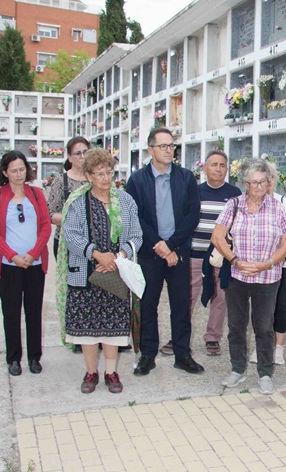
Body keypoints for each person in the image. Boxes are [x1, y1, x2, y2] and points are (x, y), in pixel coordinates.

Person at [58, 148, 143, 394]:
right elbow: (71, 235)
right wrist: (97, 254)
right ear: (88, 176)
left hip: (115, 273)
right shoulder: (77, 201)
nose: (106, 178)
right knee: (87, 328)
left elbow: (137, 236)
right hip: (85, 273)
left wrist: (118, 257)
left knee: (113, 326)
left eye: (109, 172)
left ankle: (111, 372)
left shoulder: (125, 200)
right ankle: (91, 372)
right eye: (99, 173)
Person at [125, 127, 203, 376]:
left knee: (181, 305)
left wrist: (170, 245)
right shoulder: (137, 180)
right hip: (150, 253)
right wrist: (159, 244)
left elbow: (193, 215)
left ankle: (182, 355)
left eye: (171, 145)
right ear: (150, 150)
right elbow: (134, 216)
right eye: (163, 146)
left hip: (178, 251)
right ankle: (148, 355)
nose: (169, 150)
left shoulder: (186, 177)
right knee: (148, 305)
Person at [212, 158, 286, 395]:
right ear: (245, 184)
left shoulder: (278, 207)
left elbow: (285, 245)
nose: (259, 187)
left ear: (269, 182)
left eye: (263, 182)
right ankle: (238, 369)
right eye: (254, 182)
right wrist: (235, 261)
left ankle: (265, 373)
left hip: (268, 277)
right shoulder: (233, 205)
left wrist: (266, 264)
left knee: (264, 327)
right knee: (236, 325)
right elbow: (217, 236)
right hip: (238, 276)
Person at [0, 151, 51, 377]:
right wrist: (13, 256)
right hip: (9, 265)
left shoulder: (36, 194)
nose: (18, 174)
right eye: (13, 170)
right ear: (4, 172)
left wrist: (33, 254)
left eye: (22, 169)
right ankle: (14, 358)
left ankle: (35, 357)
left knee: (34, 312)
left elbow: (45, 226)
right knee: (11, 313)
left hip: (34, 264)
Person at [187, 150, 241, 356]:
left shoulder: (235, 194)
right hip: (196, 254)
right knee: (188, 297)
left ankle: (212, 338)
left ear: (227, 169)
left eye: (222, 165)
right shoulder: (195, 191)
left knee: (220, 298)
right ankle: (180, 336)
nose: (218, 169)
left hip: (221, 257)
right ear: (205, 168)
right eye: (214, 165)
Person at [249, 161, 286, 365]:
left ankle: (278, 348)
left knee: (279, 305)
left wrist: (276, 255)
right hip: (257, 264)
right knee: (260, 307)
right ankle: (261, 346)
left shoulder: (283, 202)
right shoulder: (249, 202)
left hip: (281, 263)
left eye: (269, 178)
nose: (265, 182)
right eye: (261, 178)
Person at [47, 136, 89, 259]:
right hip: (66, 243)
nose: (82, 156)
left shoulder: (96, 178)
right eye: (77, 153)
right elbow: (50, 214)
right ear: (70, 157)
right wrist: (77, 221)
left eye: (85, 152)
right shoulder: (61, 181)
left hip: (92, 243)